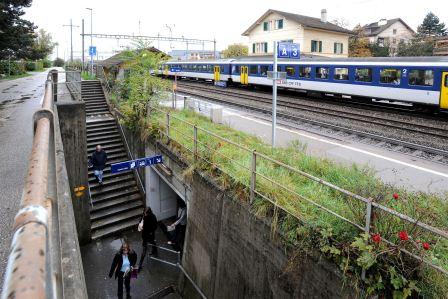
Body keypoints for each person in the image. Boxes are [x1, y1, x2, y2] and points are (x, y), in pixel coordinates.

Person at [138, 207, 158, 271]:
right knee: (152, 242)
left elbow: (147, 227)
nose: (144, 213)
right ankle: (154, 251)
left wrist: (142, 227)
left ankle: (140, 265)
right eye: (144, 212)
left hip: (147, 236)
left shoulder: (147, 218)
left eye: (145, 213)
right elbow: (155, 226)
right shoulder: (152, 216)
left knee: (144, 249)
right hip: (150, 235)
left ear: (148, 213)